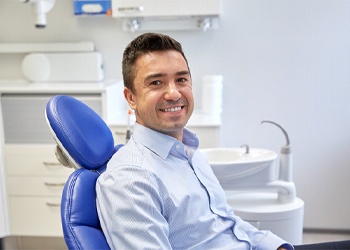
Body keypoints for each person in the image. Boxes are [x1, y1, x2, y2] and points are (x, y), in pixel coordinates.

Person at [96, 33, 350, 250]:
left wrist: (276, 245)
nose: (173, 93)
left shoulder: (188, 152)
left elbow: (226, 220)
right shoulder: (130, 179)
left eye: (181, 79)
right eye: (156, 82)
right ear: (130, 98)